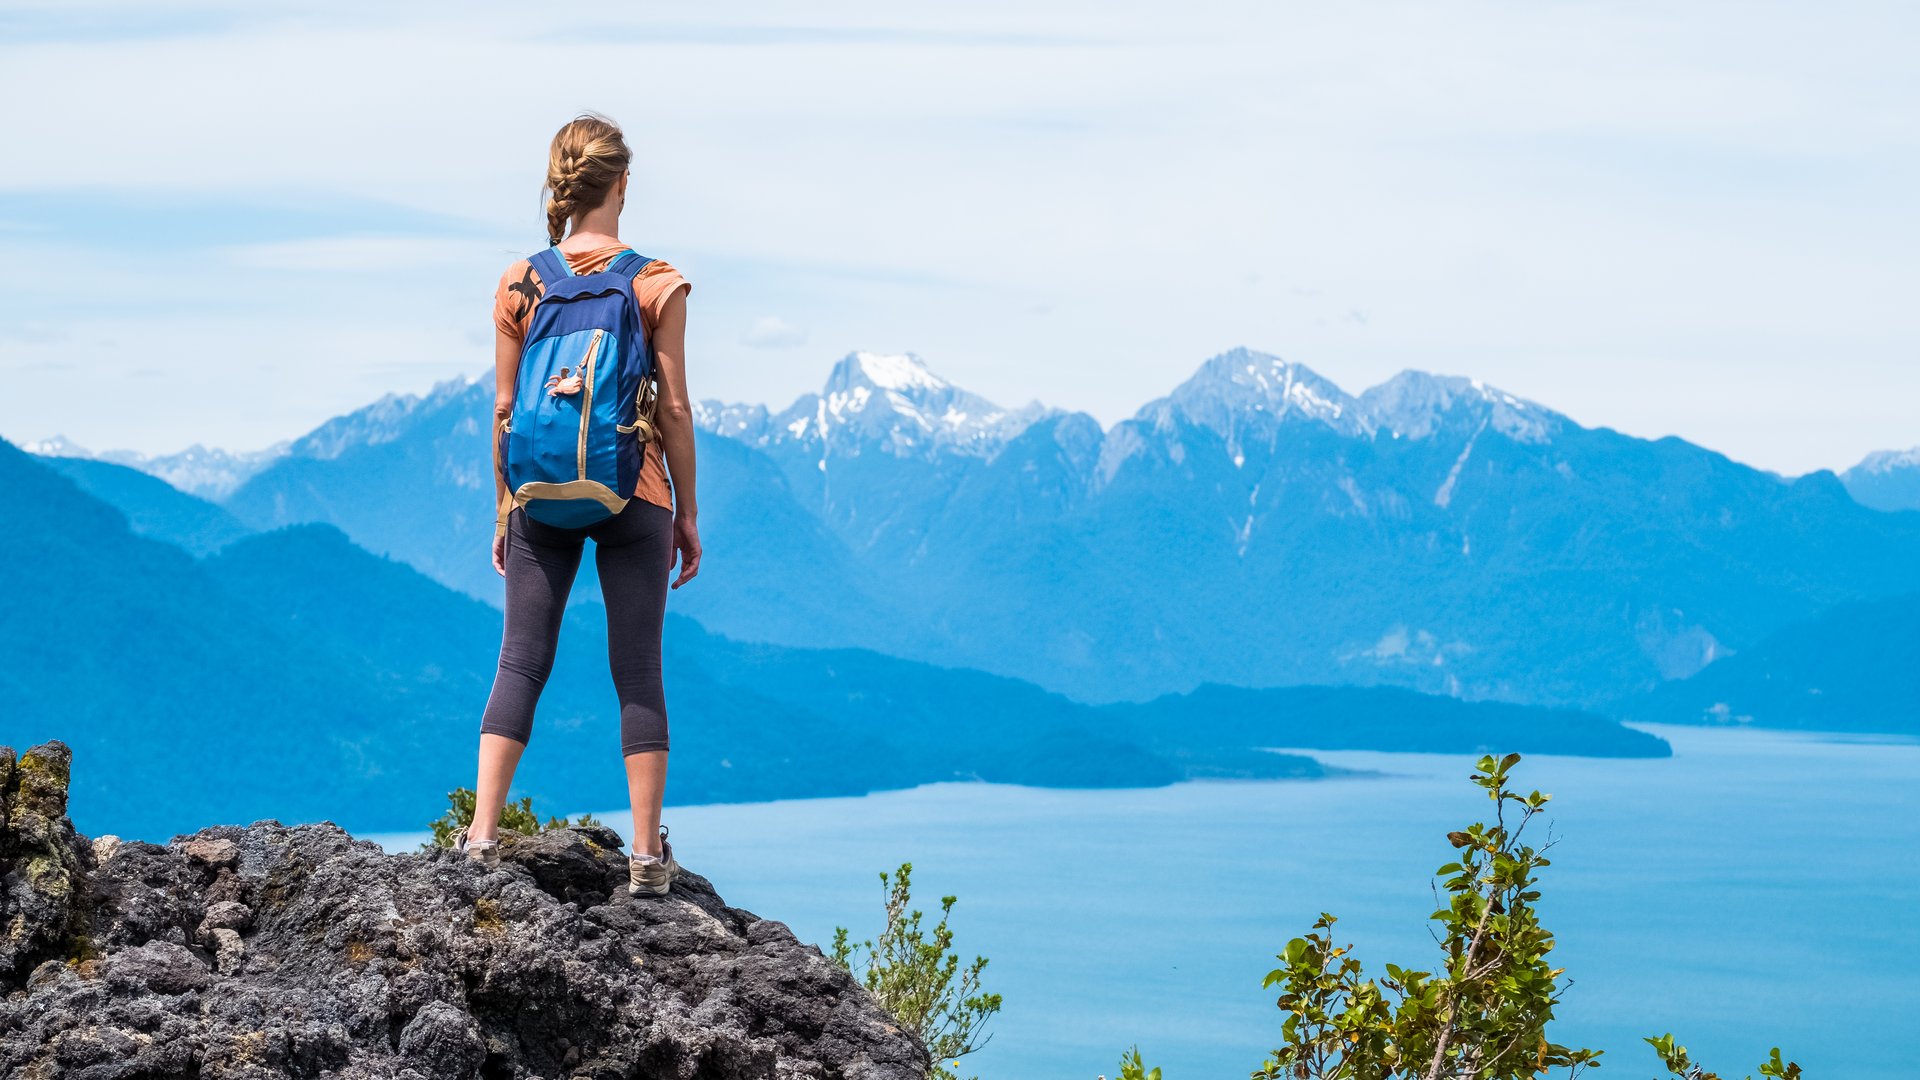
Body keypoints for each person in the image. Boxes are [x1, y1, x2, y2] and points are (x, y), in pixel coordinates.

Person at [452, 113, 701, 898]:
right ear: (621, 183)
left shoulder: (520, 283)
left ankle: (484, 835)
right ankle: (646, 856)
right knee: (636, 668)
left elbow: (502, 408)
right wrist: (687, 515)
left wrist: (505, 503)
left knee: (521, 659)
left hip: (540, 493)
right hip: (635, 489)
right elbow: (677, 411)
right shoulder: (655, 281)